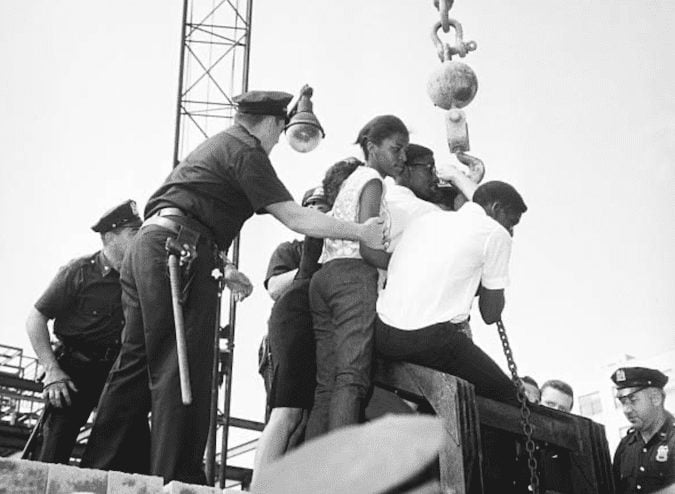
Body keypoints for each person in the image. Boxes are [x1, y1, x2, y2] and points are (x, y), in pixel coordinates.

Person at [80, 90, 388, 484]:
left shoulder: (219, 146)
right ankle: (178, 481)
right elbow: (295, 217)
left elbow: (191, 206)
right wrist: (358, 229)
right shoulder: (247, 152)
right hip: (180, 253)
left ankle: (99, 473)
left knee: (136, 364)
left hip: (153, 246)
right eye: (282, 133)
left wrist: (223, 264)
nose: (279, 143)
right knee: (182, 365)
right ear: (275, 123)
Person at [253, 159, 364, 480]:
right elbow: (275, 287)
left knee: (301, 418)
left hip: (318, 330)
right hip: (295, 326)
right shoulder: (292, 249)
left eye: (323, 206)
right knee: (285, 414)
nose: (318, 212)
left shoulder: (338, 243)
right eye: (311, 208)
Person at [375, 181, 527, 404]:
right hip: (425, 339)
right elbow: (490, 314)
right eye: (511, 222)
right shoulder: (496, 234)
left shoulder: (428, 219)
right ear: (495, 209)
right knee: (507, 398)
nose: (510, 231)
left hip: (383, 331)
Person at [306, 115, 409, 439]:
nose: (402, 157)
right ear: (372, 146)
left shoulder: (352, 180)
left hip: (325, 277)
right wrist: (405, 264)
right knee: (352, 379)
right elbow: (368, 247)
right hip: (352, 279)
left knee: (327, 385)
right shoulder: (372, 181)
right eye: (396, 148)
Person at [25, 200, 141, 463]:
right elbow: (35, 318)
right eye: (133, 233)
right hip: (74, 372)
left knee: (132, 445)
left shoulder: (139, 278)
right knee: (54, 447)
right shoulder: (79, 272)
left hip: (116, 372)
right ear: (110, 237)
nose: (141, 239)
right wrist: (52, 371)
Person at [611, 366, 674, 494]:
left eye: (633, 400)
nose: (626, 410)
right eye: (623, 402)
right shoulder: (625, 447)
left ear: (656, 398)